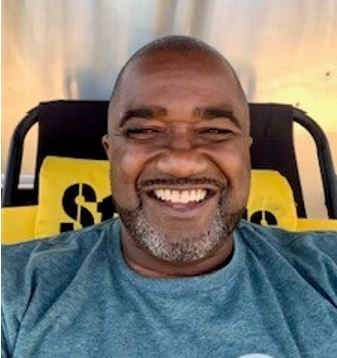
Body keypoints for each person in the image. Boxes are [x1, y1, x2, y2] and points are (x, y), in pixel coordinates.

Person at [2, 36, 337, 358]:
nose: (181, 162)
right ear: (111, 153)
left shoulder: (327, 270)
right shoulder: (14, 290)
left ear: (247, 153)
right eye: (144, 130)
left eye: (216, 130)